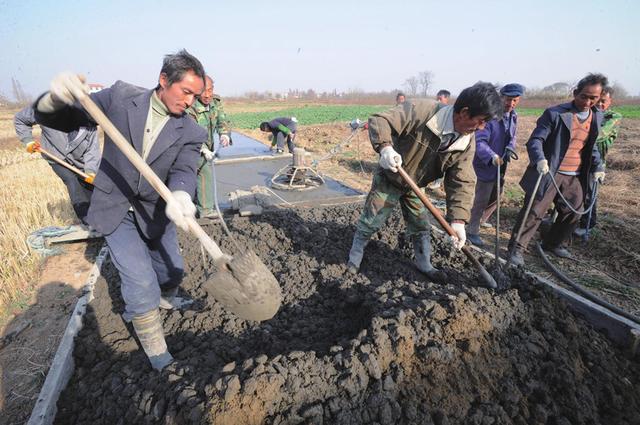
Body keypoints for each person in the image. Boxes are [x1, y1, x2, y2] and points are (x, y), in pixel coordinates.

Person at [33, 49, 208, 370]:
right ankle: (158, 354)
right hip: (115, 206)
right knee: (140, 281)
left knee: (172, 271)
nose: (190, 102)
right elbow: (66, 118)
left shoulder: (191, 131)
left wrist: (182, 194)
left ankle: (167, 295)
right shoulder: (121, 98)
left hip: (156, 209)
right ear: (164, 80)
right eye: (186, 92)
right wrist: (53, 101)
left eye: (196, 96)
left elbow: (184, 169)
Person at [347, 82, 502, 280]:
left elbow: (462, 180)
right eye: (481, 121)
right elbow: (379, 120)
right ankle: (355, 255)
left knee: (420, 225)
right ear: (464, 112)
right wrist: (385, 147)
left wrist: (458, 221)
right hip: (392, 175)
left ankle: (424, 263)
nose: (482, 128)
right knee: (372, 218)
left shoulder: (466, 141)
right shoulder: (422, 112)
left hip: (416, 186)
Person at [507, 73, 607, 266]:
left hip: (575, 174)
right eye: (584, 96)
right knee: (534, 212)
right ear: (576, 92)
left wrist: (598, 166)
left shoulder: (596, 116)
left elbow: (590, 145)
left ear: (599, 97)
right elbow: (536, 140)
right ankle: (516, 248)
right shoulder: (556, 113)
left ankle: (553, 243)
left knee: (575, 211)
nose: (587, 101)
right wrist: (540, 159)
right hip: (549, 171)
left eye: (593, 98)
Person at [14, 105, 100, 224]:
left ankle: (100, 217)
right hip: (55, 156)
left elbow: (92, 150)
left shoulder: (90, 122)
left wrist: (91, 171)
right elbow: (20, 119)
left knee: (89, 187)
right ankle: (87, 220)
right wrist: (28, 140)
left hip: (79, 160)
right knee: (72, 182)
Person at [467, 83, 524, 247]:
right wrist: (491, 156)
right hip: (484, 163)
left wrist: (510, 147)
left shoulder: (513, 116)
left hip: (501, 164)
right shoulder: (491, 116)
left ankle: (478, 220)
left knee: (497, 195)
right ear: (501, 97)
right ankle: (472, 230)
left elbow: (512, 137)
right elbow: (480, 140)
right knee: (481, 198)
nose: (511, 104)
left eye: (515, 100)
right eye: (508, 99)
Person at [574, 85, 622, 236]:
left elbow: (598, 134)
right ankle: (569, 220)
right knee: (574, 191)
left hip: (596, 163)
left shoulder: (613, 117)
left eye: (604, 101)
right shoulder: (589, 113)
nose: (600, 104)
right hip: (579, 159)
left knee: (589, 193)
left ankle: (588, 225)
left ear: (610, 102)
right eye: (598, 101)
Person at [187, 75, 232, 218]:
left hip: (208, 145)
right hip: (191, 146)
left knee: (196, 174)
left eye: (210, 90)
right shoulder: (191, 106)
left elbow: (221, 119)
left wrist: (224, 134)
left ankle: (195, 202)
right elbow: (189, 131)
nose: (207, 95)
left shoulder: (215, 102)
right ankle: (205, 210)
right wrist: (203, 149)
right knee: (204, 172)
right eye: (203, 91)